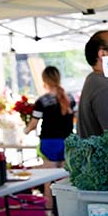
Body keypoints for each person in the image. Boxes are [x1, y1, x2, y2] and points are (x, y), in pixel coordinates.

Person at [24, 66, 75, 207]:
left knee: (48, 178)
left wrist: (25, 130)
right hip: (68, 142)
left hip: (49, 143)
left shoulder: (42, 101)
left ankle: (49, 210)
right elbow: (75, 117)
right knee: (66, 177)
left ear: (44, 80)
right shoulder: (69, 98)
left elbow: (33, 124)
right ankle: (67, 209)